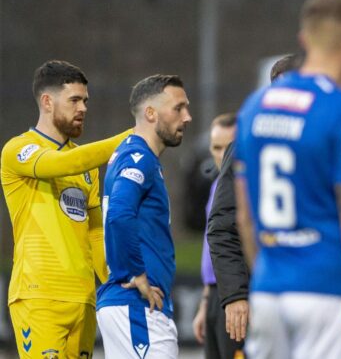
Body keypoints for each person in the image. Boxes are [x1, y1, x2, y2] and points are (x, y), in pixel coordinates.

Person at [234, 0, 341, 359]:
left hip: (268, 289)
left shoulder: (254, 108)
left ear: (304, 39)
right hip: (327, 291)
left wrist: (267, 274)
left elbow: (245, 216)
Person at [0, 59, 131, 358]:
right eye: (74, 100)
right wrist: (131, 138)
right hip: (39, 296)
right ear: (47, 102)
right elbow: (60, 164)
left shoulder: (85, 166)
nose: (83, 108)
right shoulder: (19, 149)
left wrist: (115, 281)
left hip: (84, 299)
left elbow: (96, 232)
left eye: (85, 100)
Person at [199, 53, 303, 358]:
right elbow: (223, 227)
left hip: (316, 290)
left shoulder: (324, 139)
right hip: (268, 294)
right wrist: (235, 295)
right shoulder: (248, 143)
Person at [96, 74, 191, 358]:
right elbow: (119, 213)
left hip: (133, 307)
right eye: (178, 108)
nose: (187, 117)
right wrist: (137, 273)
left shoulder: (133, 155)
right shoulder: (139, 157)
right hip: (136, 306)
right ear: (150, 113)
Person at [191, 112, 240, 358]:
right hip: (213, 295)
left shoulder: (242, 186)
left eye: (227, 147)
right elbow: (210, 248)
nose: (221, 155)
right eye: (215, 148)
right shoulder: (215, 187)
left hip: (233, 293)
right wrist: (204, 303)